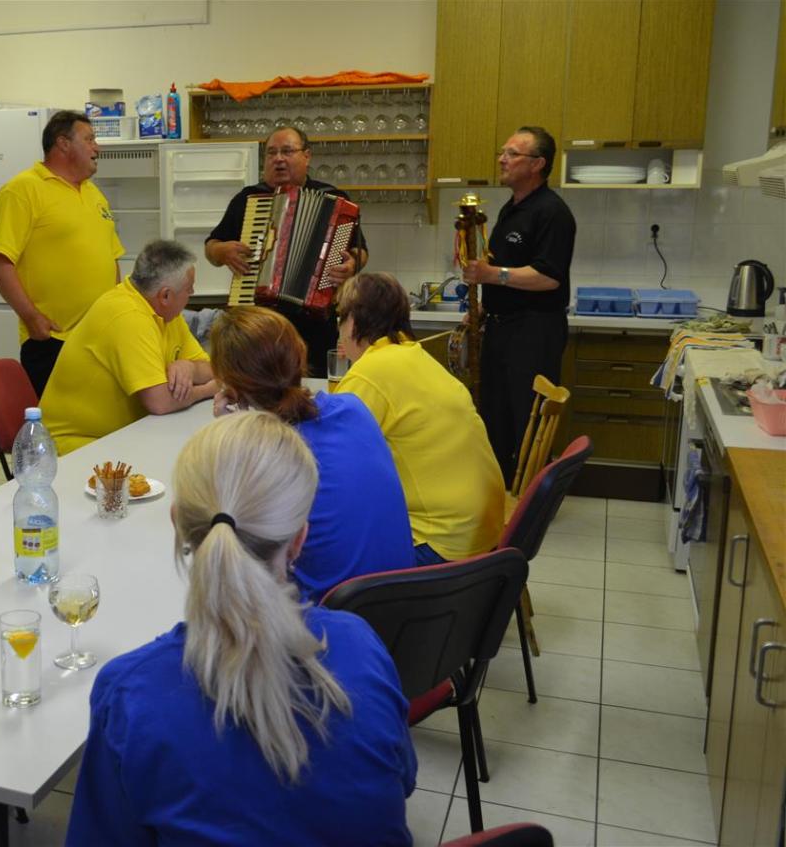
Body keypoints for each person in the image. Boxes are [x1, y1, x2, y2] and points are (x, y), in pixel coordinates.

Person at [66, 411, 416, 846]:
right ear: (299, 538)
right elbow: (401, 779)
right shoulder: (361, 648)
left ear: (177, 525)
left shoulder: (130, 695)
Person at [208, 306, 414, 600]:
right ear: (299, 356)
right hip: (403, 599)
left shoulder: (268, 457)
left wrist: (233, 431)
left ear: (230, 384)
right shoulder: (353, 407)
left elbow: (229, 537)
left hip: (328, 614)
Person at [335, 272, 504, 565]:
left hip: (440, 545)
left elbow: (332, 465)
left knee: (320, 551)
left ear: (353, 323)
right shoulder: (416, 356)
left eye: (339, 317)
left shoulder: (370, 372)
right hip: (481, 534)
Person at [204, 126, 367, 377]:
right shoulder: (248, 199)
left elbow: (360, 250)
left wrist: (351, 265)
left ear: (307, 156)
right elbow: (211, 247)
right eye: (271, 153)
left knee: (314, 390)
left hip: (315, 326)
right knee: (260, 386)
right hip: (259, 324)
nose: (278, 159)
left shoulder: (334, 199)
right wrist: (221, 251)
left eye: (287, 151)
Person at [462, 125, 576, 482]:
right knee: (495, 414)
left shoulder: (552, 212)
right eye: (503, 152)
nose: (502, 159)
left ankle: (529, 498)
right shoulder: (511, 209)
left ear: (538, 164)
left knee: (528, 419)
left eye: (512, 154)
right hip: (501, 328)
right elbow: (505, 265)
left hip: (534, 330)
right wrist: (482, 309)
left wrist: (490, 274)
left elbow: (549, 277)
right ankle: (499, 493)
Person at [0, 110, 125, 396]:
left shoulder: (95, 194)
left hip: (99, 337)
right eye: (89, 139)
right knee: (57, 421)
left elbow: (112, 258)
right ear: (63, 143)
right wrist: (31, 317)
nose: (97, 148)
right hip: (53, 340)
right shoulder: (22, 189)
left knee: (97, 419)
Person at [40, 240, 217, 455]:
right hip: (73, 447)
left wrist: (189, 367)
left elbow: (213, 369)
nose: (192, 293)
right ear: (165, 295)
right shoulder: (128, 316)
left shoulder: (165, 313)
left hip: (122, 435)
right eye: (189, 289)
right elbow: (160, 402)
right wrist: (208, 390)